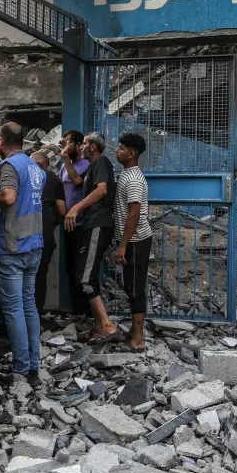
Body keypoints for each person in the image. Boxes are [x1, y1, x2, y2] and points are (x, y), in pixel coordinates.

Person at [0, 123, 46, 381]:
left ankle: (20, 367)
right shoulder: (35, 168)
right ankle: (33, 365)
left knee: (14, 308)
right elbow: (23, 192)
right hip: (33, 246)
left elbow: (9, 198)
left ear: (1, 142)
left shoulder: (8, 166)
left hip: (10, 248)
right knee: (29, 305)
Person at [64, 132, 119, 343]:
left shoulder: (102, 162)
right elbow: (76, 180)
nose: (81, 147)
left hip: (98, 225)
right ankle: (99, 325)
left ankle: (107, 325)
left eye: (84, 144)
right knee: (86, 276)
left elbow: (102, 190)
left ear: (93, 147)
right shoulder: (90, 168)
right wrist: (65, 157)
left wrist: (76, 208)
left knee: (85, 279)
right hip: (91, 225)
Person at [113, 133, 152, 351]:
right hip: (130, 240)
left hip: (136, 241)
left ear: (131, 153)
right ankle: (135, 333)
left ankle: (138, 339)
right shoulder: (126, 174)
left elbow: (134, 214)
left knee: (135, 288)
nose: (117, 151)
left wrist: (123, 245)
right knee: (131, 286)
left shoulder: (134, 179)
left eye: (121, 148)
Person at [58, 131, 91, 314]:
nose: (65, 146)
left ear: (79, 146)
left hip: (81, 224)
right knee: (70, 268)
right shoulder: (65, 166)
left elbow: (78, 182)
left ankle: (86, 312)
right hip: (67, 225)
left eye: (69, 143)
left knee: (81, 270)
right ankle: (76, 312)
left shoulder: (85, 165)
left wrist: (66, 159)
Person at [32, 151, 66, 313]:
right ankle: (36, 319)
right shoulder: (53, 179)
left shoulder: (23, 176)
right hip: (45, 235)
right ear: (47, 165)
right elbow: (62, 210)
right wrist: (53, 222)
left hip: (23, 234)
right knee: (40, 276)